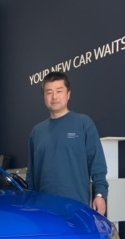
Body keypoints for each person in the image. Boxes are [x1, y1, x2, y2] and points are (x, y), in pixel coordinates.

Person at [26, 72, 108, 215]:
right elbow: (31, 175)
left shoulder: (83, 123)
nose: (54, 96)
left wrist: (100, 194)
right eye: (49, 92)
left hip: (76, 206)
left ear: (68, 94)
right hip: (44, 208)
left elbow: (97, 163)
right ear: (44, 96)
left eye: (59, 91)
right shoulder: (37, 132)